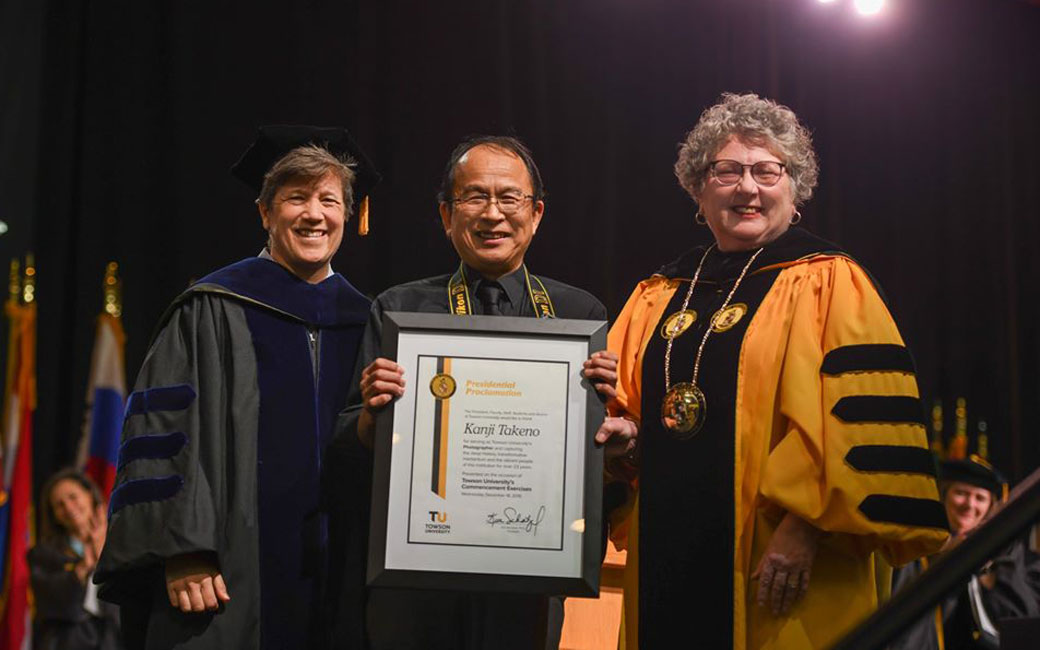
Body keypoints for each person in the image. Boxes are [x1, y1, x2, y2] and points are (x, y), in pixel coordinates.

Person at [601, 93, 950, 650]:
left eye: (767, 170)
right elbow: (632, 415)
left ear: (795, 189)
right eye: (727, 170)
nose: (748, 187)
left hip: (783, 556)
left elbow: (859, 431)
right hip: (668, 549)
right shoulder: (660, 293)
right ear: (698, 188)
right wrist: (627, 442)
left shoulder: (831, 282)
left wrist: (806, 527)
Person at [325, 135, 619, 650]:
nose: (493, 214)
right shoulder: (400, 311)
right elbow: (348, 440)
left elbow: (604, 457)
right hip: (418, 579)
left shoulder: (581, 317)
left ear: (536, 213)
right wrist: (375, 415)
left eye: (510, 198)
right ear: (446, 214)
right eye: (473, 197)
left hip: (530, 573)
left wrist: (606, 421)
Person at [94, 125, 379, 650]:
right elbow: (164, 432)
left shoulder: (372, 322)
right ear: (265, 213)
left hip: (343, 578)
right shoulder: (211, 308)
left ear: (349, 216)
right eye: (296, 198)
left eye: (329, 199)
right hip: (226, 573)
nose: (314, 214)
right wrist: (183, 549)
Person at [891, 456, 1040, 649]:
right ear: (944, 496)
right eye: (961, 493)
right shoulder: (916, 545)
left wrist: (987, 573)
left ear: (991, 507)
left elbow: (1020, 621)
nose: (969, 505)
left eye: (980, 498)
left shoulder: (1006, 553)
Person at [28, 469, 122, 650]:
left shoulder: (123, 540)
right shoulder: (43, 554)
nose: (69, 508)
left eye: (73, 497)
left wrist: (106, 554)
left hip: (118, 640)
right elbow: (50, 604)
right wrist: (84, 566)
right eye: (59, 505)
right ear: (54, 515)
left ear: (89, 495)